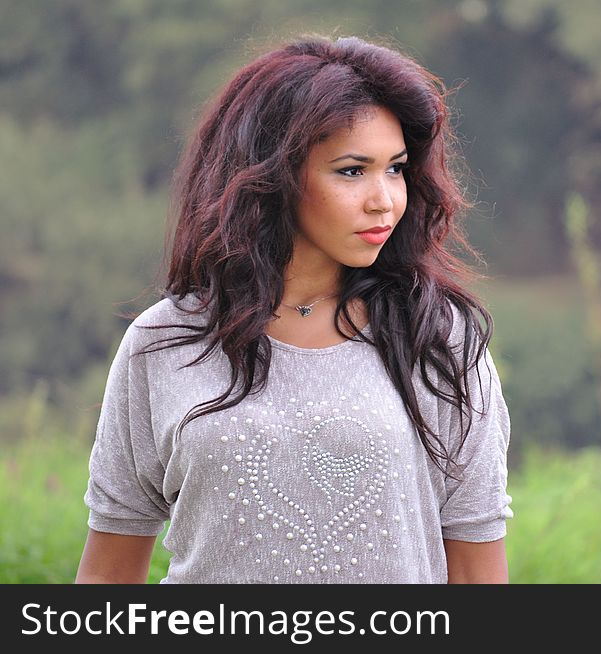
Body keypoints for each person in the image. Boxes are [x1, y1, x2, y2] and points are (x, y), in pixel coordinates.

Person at [74, 35, 513, 584]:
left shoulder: (439, 339)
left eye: (396, 168)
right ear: (271, 176)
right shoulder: (166, 340)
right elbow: (107, 577)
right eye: (352, 171)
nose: (384, 199)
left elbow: (477, 575)